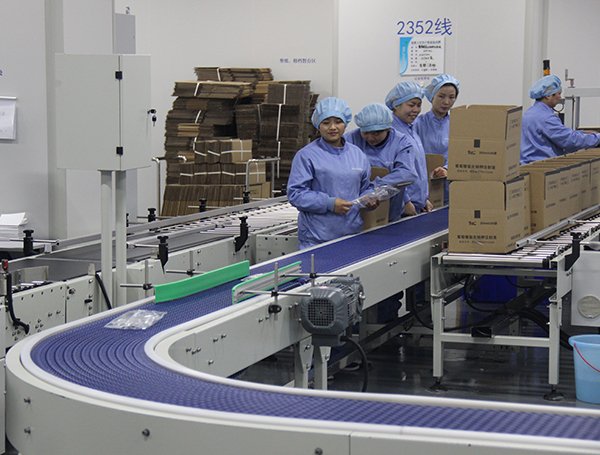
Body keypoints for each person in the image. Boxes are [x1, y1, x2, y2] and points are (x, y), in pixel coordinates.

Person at [287, 97, 375, 249]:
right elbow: (296, 194)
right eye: (326, 122)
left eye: (338, 122)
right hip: (317, 238)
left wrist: (370, 198)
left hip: (352, 235)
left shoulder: (357, 155)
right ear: (318, 125)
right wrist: (329, 204)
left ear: (345, 123)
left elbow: (365, 187)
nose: (333, 127)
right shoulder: (307, 156)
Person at [345, 103, 418, 222]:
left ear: (388, 128)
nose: (370, 138)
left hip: (391, 209)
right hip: (356, 213)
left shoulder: (401, 142)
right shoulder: (351, 139)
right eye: (365, 133)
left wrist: (374, 188)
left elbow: (407, 173)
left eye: (376, 133)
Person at [521, 75, 600, 164]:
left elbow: (561, 134)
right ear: (548, 96)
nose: (560, 97)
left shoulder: (530, 113)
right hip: (542, 166)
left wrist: (583, 133)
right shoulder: (546, 118)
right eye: (558, 93)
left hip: (527, 165)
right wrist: (597, 138)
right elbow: (570, 141)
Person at [385, 81, 433, 215]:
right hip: (403, 206)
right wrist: (405, 201)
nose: (416, 110)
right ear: (396, 105)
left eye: (419, 105)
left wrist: (423, 198)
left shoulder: (411, 130)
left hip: (417, 204)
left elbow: (418, 168)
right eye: (411, 105)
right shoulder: (392, 132)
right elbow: (393, 170)